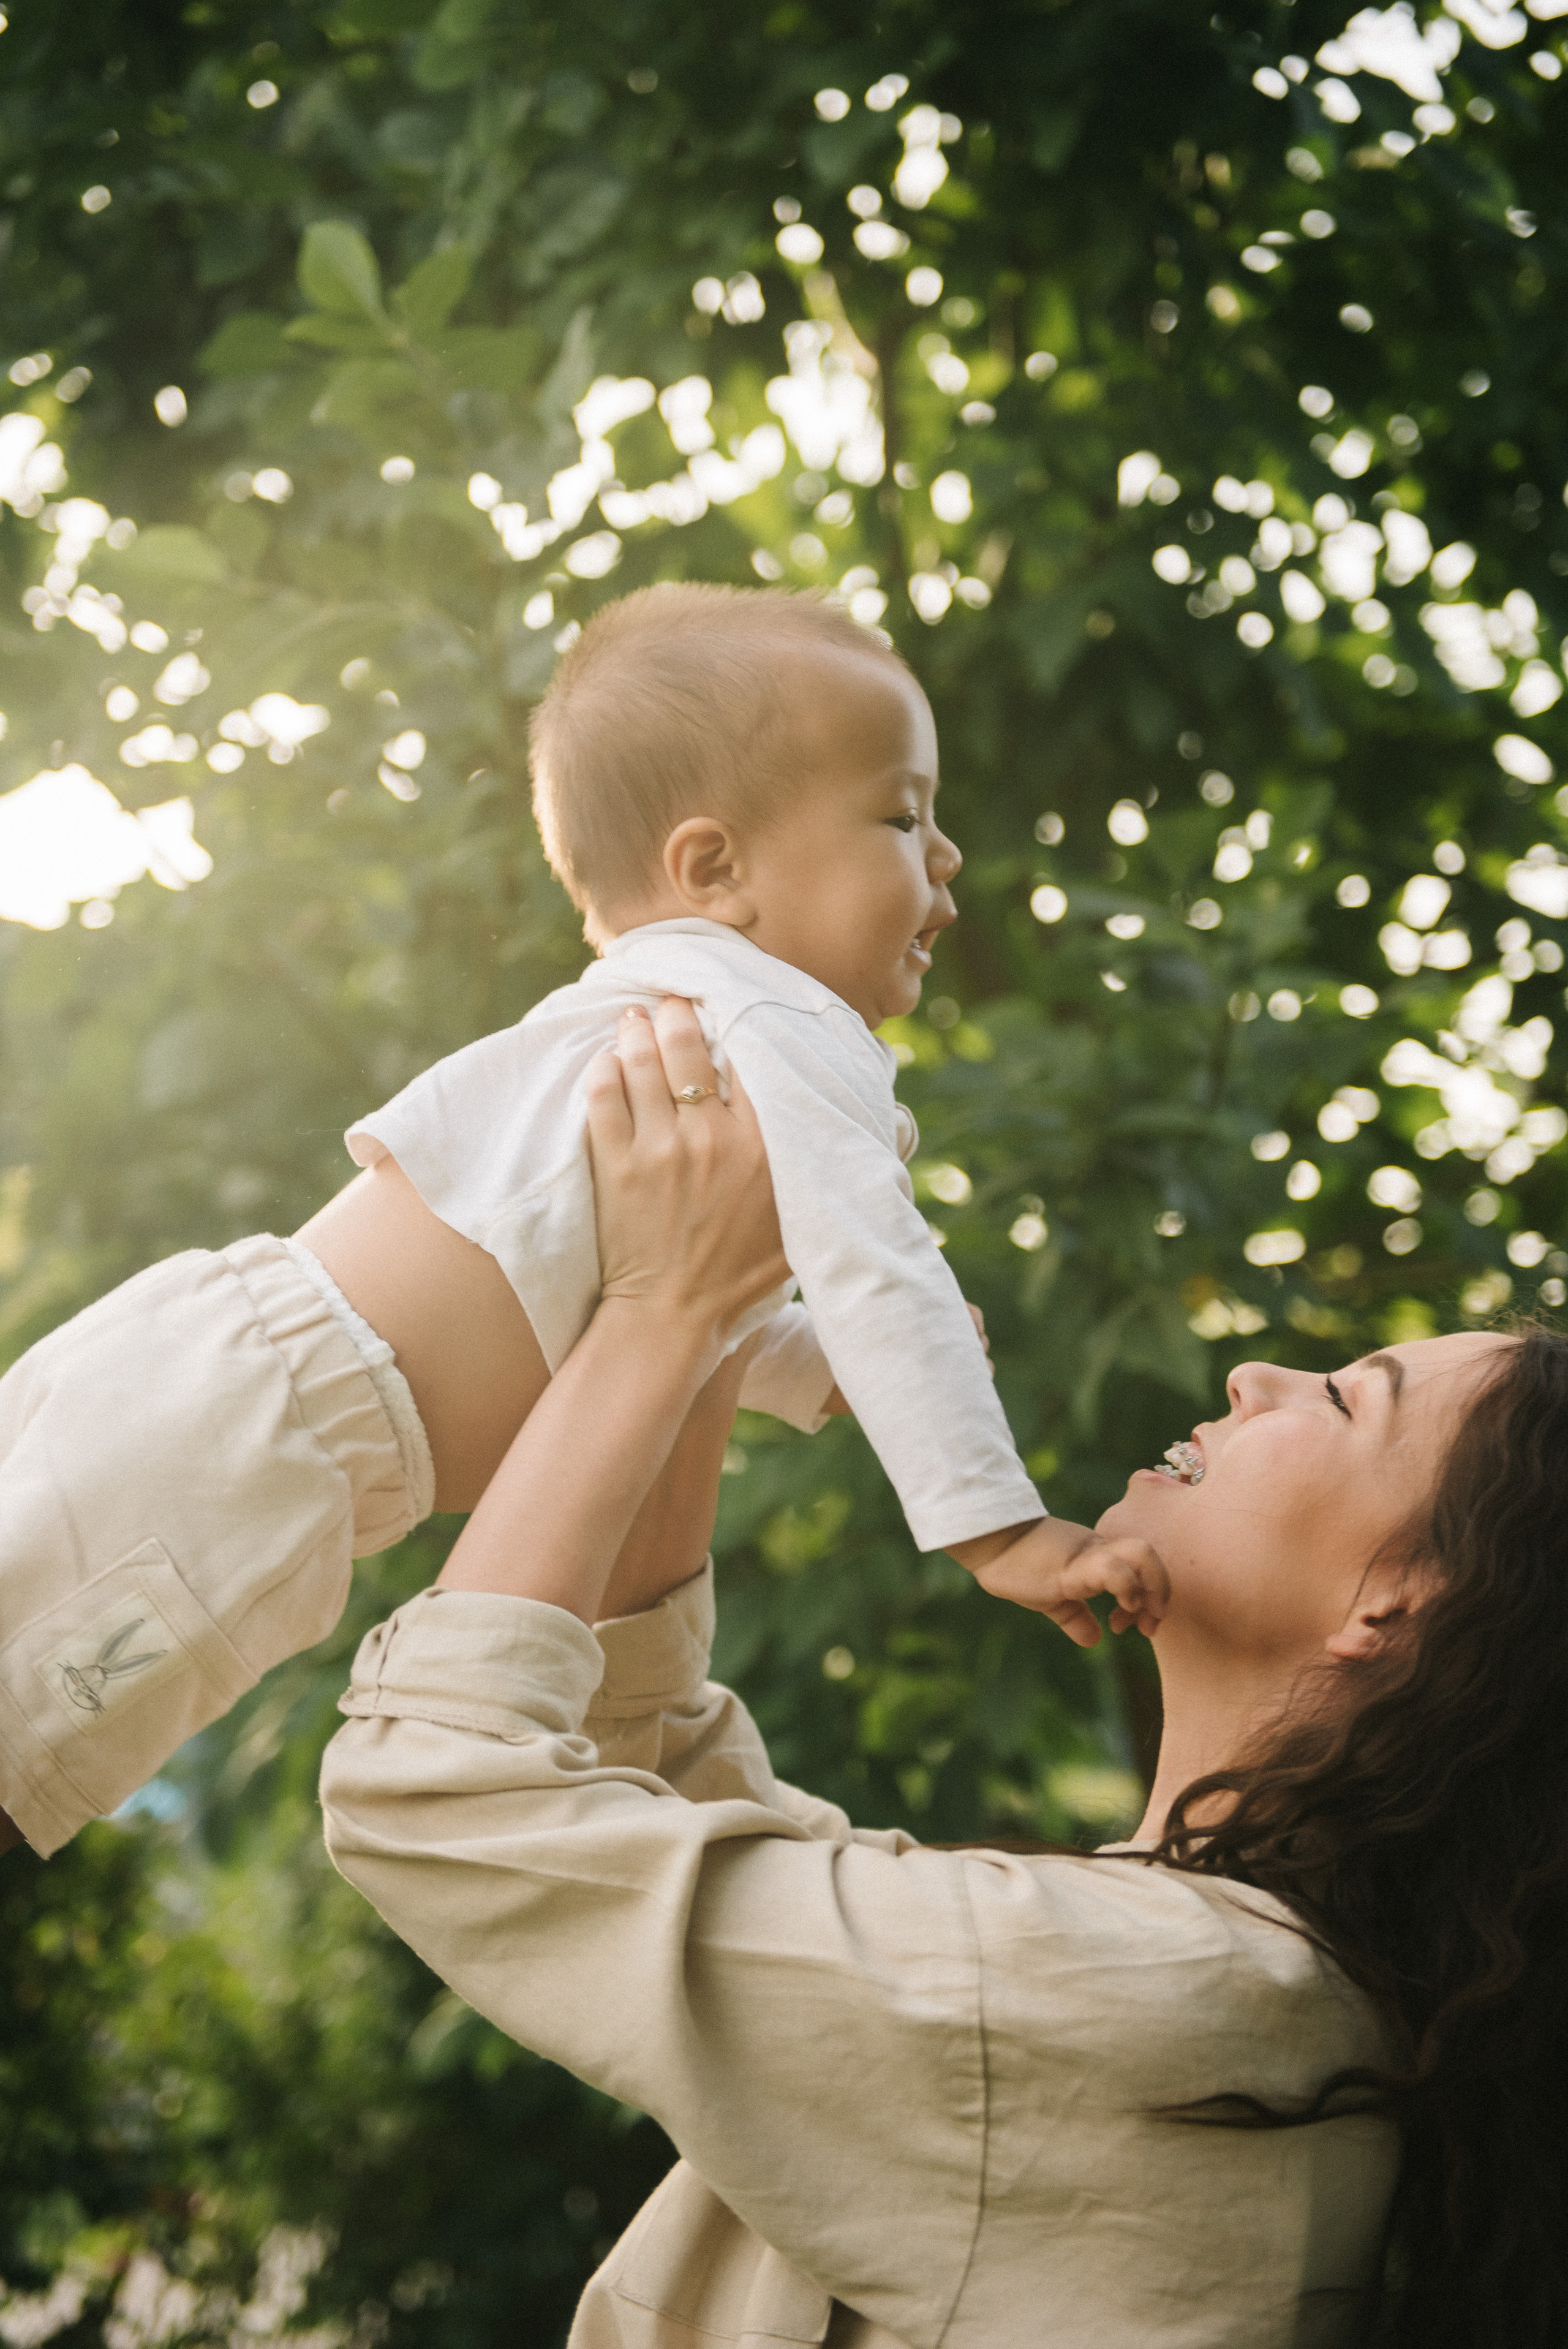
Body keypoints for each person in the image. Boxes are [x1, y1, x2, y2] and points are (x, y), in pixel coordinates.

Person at [320, 999, 1568, 2348]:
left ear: (1396, 1602)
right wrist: (716, 1318)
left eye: (1340, 1398)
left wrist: (658, 1307)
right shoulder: (1216, 1979)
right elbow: (655, 1779)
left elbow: (435, 1790)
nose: (1256, 1371)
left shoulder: (1168, 2002)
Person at [0, 584, 1158, 1863]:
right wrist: (1003, 1533)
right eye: (900, 814)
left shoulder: (679, 1018)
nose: (944, 860)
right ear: (714, 868)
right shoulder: (780, 1025)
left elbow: (610, 1273)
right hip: (250, 1445)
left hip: (205, 1384)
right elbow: (883, 1274)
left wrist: (804, 1363)